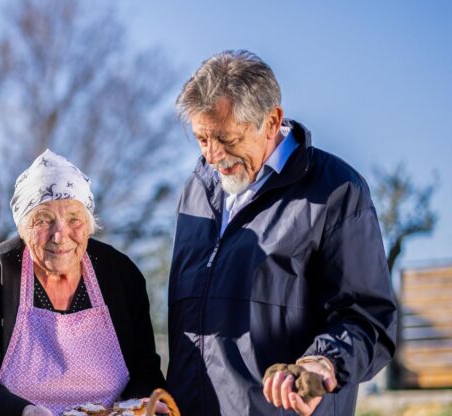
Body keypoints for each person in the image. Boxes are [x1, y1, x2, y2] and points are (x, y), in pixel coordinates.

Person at [167, 49, 398, 415]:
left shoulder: (337, 190)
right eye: (201, 139)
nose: (211, 156)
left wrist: (323, 362)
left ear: (272, 121)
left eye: (227, 139)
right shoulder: (195, 192)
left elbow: (367, 318)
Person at [0, 150, 165, 416]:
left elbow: (145, 370)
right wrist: (27, 413)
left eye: (74, 219)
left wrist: (137, 407)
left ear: (88, 223)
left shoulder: (119, 274)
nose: (60, 235)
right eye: (43, 220)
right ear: (23, 227)